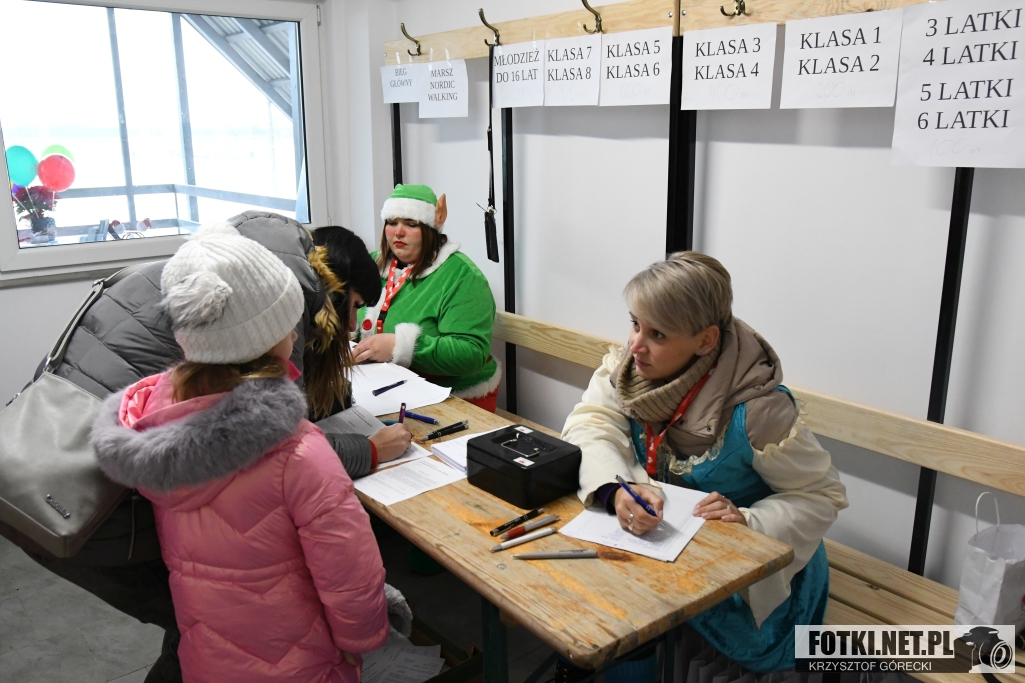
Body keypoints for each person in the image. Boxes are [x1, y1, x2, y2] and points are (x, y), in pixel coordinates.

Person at [0, 212, 409, 683]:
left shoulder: (218, 287)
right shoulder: (272, 295)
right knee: (202, 623)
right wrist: (368, 450)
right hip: (78, 512)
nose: (350, 326)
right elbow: (286, 454)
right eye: (351, 307)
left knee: (202, 626)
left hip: (31, 462)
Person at [562, 252, 848, 674]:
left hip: (749, 569)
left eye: (657, 334)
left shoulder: (760, 411)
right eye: (635, 323)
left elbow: (821, 495)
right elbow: (592, 423)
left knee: (625, 607)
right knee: (598, 594)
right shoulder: (628, 371)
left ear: (706, 341)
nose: (635, 345)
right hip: (668, 541)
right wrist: (617, 488)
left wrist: (748, 521)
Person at [353, 184, 501, 412]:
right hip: (388, 387)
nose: (398, 232)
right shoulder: (373, 263)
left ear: (430, 229)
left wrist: (400, 346)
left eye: (411, 224)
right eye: (391, 222)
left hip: (455, 396)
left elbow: (471, 354)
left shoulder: (462, 276)